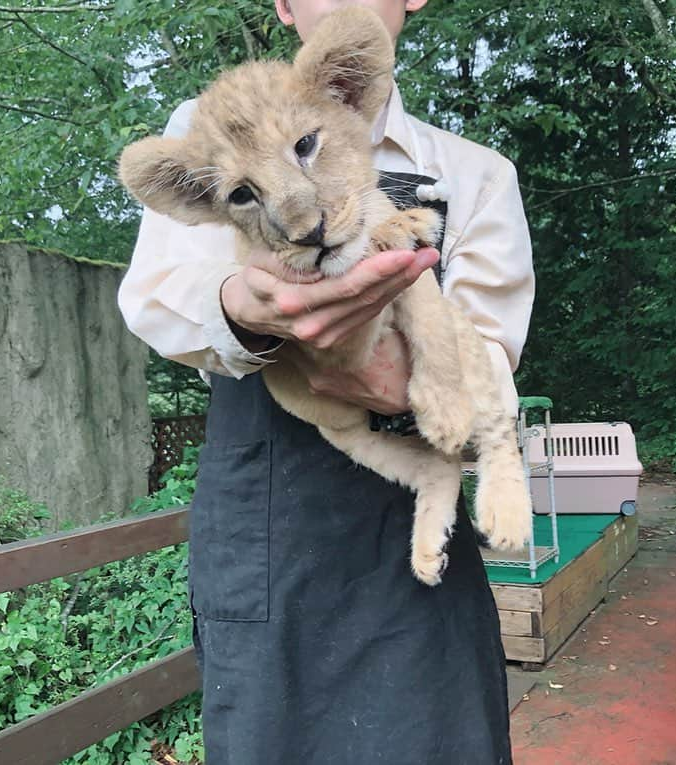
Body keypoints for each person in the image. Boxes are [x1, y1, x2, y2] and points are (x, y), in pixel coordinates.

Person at [117, 1, 535, 762]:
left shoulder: (475, 174)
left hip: (411, 537)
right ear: (280, 5)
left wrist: (399, 382)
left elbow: (489, 371)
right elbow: (151, 296)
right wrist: (240, 308)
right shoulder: (206, 126)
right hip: (270, 532)